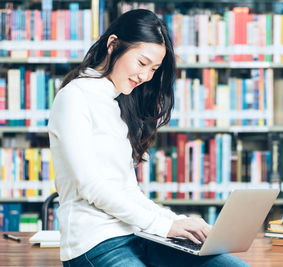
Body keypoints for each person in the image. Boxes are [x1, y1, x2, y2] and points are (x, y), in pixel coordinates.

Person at [48, 9, 249, 267]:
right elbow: (93, 187)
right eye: (142, 63)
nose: (145, 77)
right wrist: (165, 225)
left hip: (138, 234)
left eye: (153, 69)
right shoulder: (73, 98)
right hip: (94, 243)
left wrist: (177, 221)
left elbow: (128, 191)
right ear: (113, 45)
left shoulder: (117, 103)